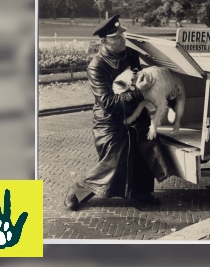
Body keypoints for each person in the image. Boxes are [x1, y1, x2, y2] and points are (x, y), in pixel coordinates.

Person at [64, 15, 171, 210]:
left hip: (134, 112)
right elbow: (108, 103)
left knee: (144, 144)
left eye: (123, 35)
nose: (123, 40)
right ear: (104, 41)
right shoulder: (96, 66)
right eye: (117, 38)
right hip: (109, 121)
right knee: (117, 155)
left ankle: (140, 192)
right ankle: (79, 189)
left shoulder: (131, 55)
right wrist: (138, 91)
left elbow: (141, 80)